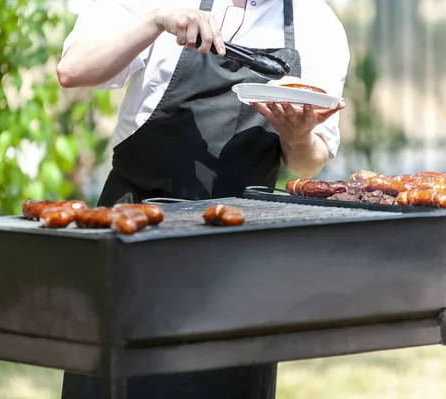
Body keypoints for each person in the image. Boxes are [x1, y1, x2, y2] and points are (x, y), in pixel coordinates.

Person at [56, 0, 349, 397]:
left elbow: (306, 164)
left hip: (237, 255)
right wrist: (157, 20)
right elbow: (73, 69)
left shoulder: (317, 23)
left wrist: (296, 136)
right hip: (132, 233)